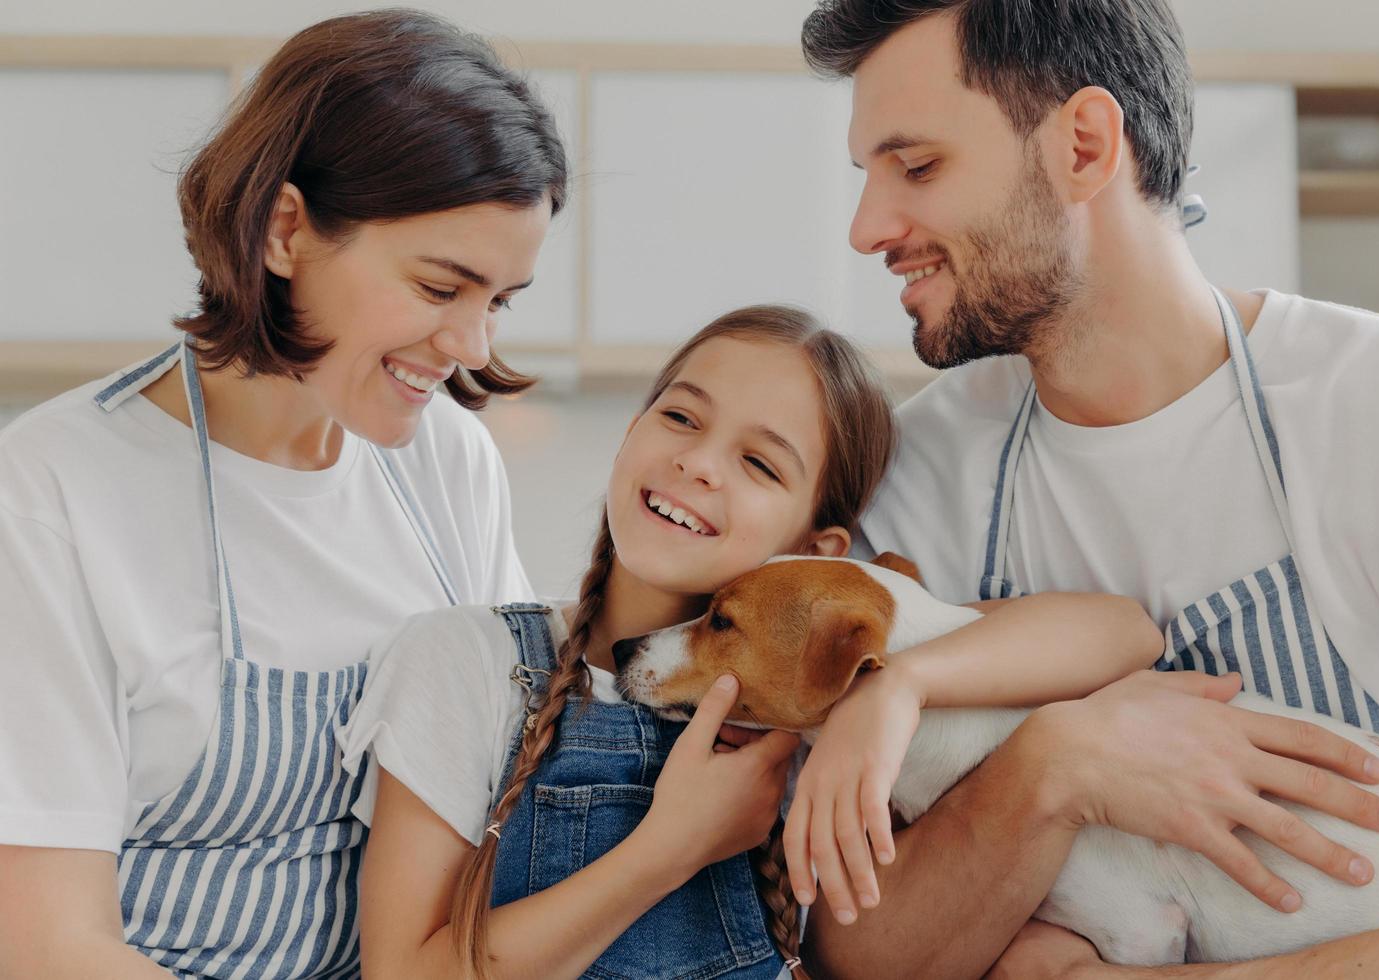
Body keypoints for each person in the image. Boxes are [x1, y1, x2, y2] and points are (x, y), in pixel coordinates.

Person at [782, 1, 1379, 976]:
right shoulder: (916, 472)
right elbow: (863, 955)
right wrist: (1057, 764)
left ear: (1086, 145)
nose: (867, 228)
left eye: (919, 165)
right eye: (867, 177)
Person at [341, 304, 1164, 979]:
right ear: (632, 431)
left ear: (819, 554)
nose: (699, 462)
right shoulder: (467, 661)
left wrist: (893, 689)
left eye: (761, 464)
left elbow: (1123, 631)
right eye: (679, 416)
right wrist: (670, 850)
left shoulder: (819, 684)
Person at [0, 10, 566, 978]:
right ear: (285, 229)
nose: (474, 347)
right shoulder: (53, 487)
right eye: (441, 287)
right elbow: (49, 942)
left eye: (499, 301)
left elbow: (509, 813)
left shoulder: (450, 466)